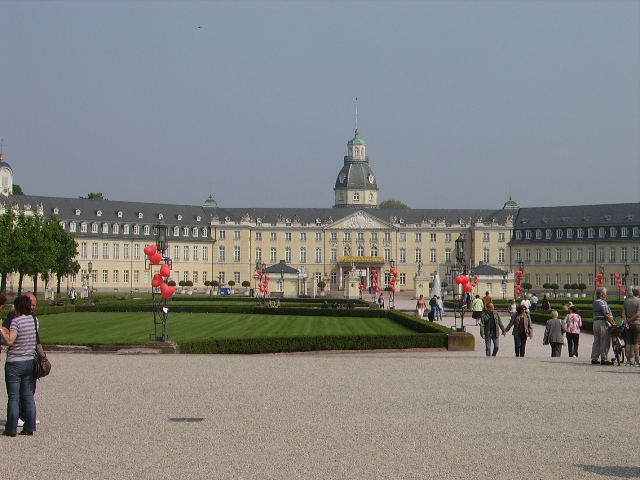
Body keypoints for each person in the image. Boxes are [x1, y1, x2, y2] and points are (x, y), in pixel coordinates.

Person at [0, 295, 38, 436]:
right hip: (29, 360)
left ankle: (11, 429)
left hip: (15, 362)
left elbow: (10, 341)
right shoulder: (34, 320)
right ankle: (29, 427)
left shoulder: (16, 322)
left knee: (14, 397)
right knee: (28, 396)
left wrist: (1, 330)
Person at [591, 287, 616, 365]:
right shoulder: (603, 302)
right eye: (605, 294)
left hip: (596, 322)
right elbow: (606, 315)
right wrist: (613, 323)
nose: (606, 295)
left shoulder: (595, 302)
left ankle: (594, 358)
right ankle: (604, 358)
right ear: (602, 295)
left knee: (596, 341)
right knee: (605, 341)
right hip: (602, 323)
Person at [621, 286, 640, 366]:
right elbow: (638, 314)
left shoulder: (626, 301)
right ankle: (636, 361)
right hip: (636, 323)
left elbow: (623, 313)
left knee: (628, 342)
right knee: (636, 342)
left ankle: (628, 361)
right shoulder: (638, 301)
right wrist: (631, 319)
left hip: (628, 324)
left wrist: (626, 321)